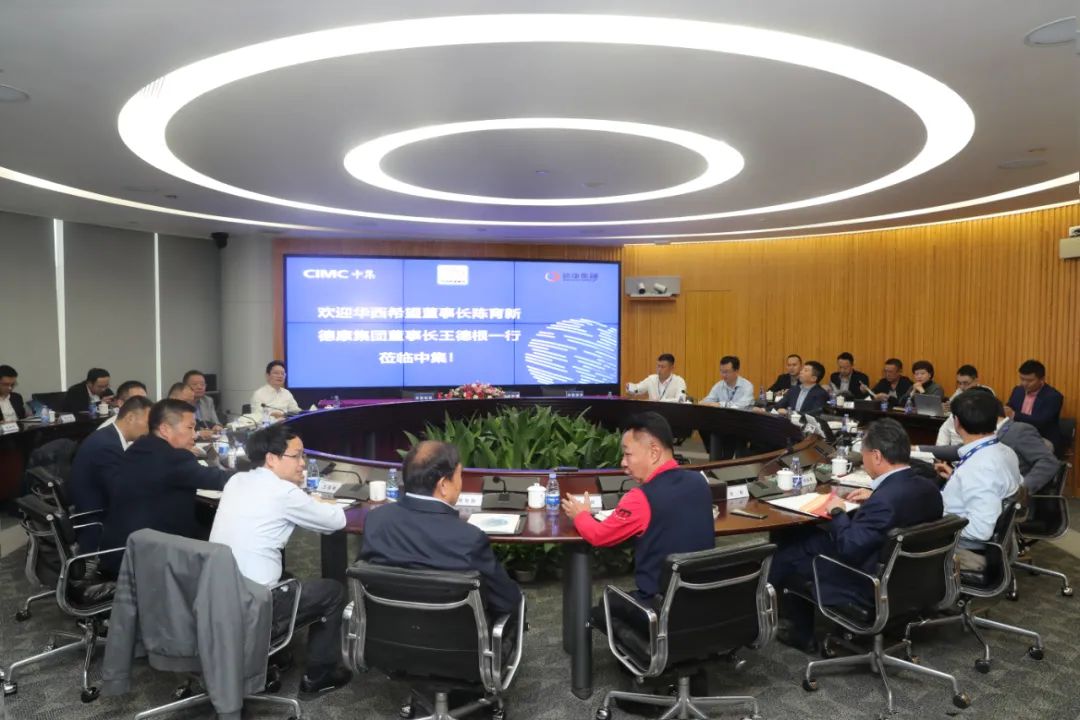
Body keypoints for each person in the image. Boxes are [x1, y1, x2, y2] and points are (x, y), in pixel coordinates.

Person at [767, 419, 943, 652]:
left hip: (868, 582)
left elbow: (849, 548)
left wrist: (837, 511)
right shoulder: (929, 488)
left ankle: (795, 632)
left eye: (864, 454)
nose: (863, 459)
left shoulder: (884, 501)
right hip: (914, 578)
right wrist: (874, 496)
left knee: (791, 551)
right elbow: (901, 510)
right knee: (805, 536)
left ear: (876, 456)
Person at [209, 425, 352, 698]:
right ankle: (318, 677)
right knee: (333, 592)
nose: (303, 463)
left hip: (216, 596)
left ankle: (272, 657)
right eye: (296, 456)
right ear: (272, 459)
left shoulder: (236, 480)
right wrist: (324, 503)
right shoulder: (284, 493)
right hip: (253, 605)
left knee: (287, 576)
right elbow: (335, 521)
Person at [561, 412, 714, 603]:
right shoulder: (699, 481)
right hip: (703, 600)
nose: (623, 463)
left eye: (627, 454)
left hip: (660, 607)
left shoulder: (641, 498)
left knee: (604, 605)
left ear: (654, 452)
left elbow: (599, 535)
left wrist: (580, 515)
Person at [360, 441, 522, 616]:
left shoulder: (376, 521)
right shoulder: (468, 539)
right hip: (455, 632)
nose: (460, 484)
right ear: (443, 485)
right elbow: (508, 602)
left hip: (386, 629)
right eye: (460, 476)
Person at [98, 399, 232, 575]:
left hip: (119, 549)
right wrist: (259, 473)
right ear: (165, 429)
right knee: (220, 547)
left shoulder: (140, 446)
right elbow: (218, 480)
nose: (194, 435)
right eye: (190, 428)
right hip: (145, 559)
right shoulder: (173, 458)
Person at [937, 390, 1022, 571]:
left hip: (963, 547)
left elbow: (980, 530)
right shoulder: (1006, 452)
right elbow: (995, 488)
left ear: (956, 422)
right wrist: (956, 479)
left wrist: (933, 525)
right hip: (987, 540)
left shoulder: (978, 467)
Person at [920, 388, 1059, 494]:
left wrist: (1021, 491)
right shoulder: (986, 433)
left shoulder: (1019, 430)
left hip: (1003, 502)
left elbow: (1049, 462)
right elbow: (959, 449)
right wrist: (917, 449)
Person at [70, 396, 153, 551]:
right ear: (130, 418)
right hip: (99, 521)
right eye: (148, 423)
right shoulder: (107, 446)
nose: (150, 429)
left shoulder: (108, 436)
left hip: (97, 509)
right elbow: (121, 492)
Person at [1006, 359, 1064, 455]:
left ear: (1042, 379)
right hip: (1018, 435)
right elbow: (1009, 408)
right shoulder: (1018, 390)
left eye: (1029, 380)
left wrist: (1014, 415)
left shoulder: (1053, 396)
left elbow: (1041, 421)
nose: (1024, 383)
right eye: (1022, 379)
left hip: (1042, 437)